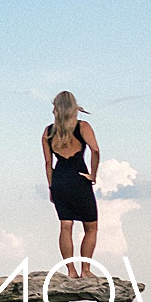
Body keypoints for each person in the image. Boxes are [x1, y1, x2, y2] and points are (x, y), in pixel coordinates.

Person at [41, 90, 100, 277]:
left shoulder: (48, 132)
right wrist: (93, 174)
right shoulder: (83, 127)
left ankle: (71, 270)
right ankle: (86, 269)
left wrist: (51, 187)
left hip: (59, 180)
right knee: (90, 227)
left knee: (65, 226)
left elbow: (49, 163)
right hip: (79, 178)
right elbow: (95, 150)